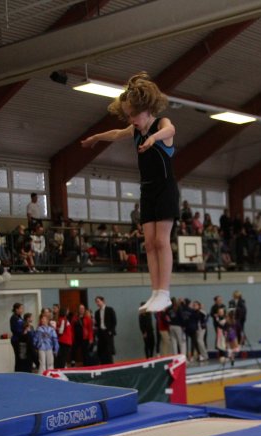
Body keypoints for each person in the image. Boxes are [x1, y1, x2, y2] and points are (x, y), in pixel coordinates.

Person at [82, 72, 179, 313]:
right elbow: (116, 134)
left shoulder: (160, 124)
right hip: (147, 191)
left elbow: (171, 130)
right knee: (149, 244)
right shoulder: (135, 131)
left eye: (134, 114)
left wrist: (153, 139)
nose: (131, 119)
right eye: (128, 115)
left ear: (147, 109)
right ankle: (155, 292)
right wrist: (96, 137)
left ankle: (164, 293)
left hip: (165, 189)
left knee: (161, 241)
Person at [94, 296, 117, 365]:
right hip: (101, 333)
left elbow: (114, 321)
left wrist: (111, 331)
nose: (97, 303)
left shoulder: (110, 310)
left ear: (103, 301)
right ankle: (103, 364)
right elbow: (97, 324)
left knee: (108, 350)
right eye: (96, 302)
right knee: (101, 350)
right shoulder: (97, 312)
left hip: (108, 332)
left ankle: (110, 365)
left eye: (98, 301)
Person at [9, 303, 25, 371]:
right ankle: (17, 371)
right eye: (21, 308)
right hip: (16, 340)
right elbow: (15, 329)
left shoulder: (20, 317)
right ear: (16, 309)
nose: (22, 310)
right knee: (18, 357)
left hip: (21, 339)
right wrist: (23, 332)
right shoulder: (14, 318)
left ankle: (22, 371)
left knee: (22, 357)